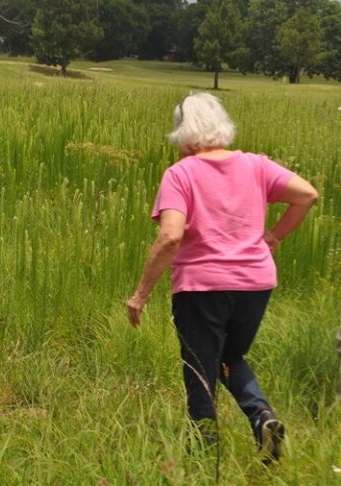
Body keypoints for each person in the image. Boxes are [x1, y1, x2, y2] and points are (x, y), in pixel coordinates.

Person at [126, 92, 318, 464]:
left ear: (184, 132)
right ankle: (263, 417)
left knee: (200, 369)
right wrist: (274, 236)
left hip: (203, 286)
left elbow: (170, 236)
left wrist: (141, 294)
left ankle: (204, 458)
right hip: (256, 282)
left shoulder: (180, 174)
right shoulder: (256, 165)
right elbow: (307, 195)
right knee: (231, 356)